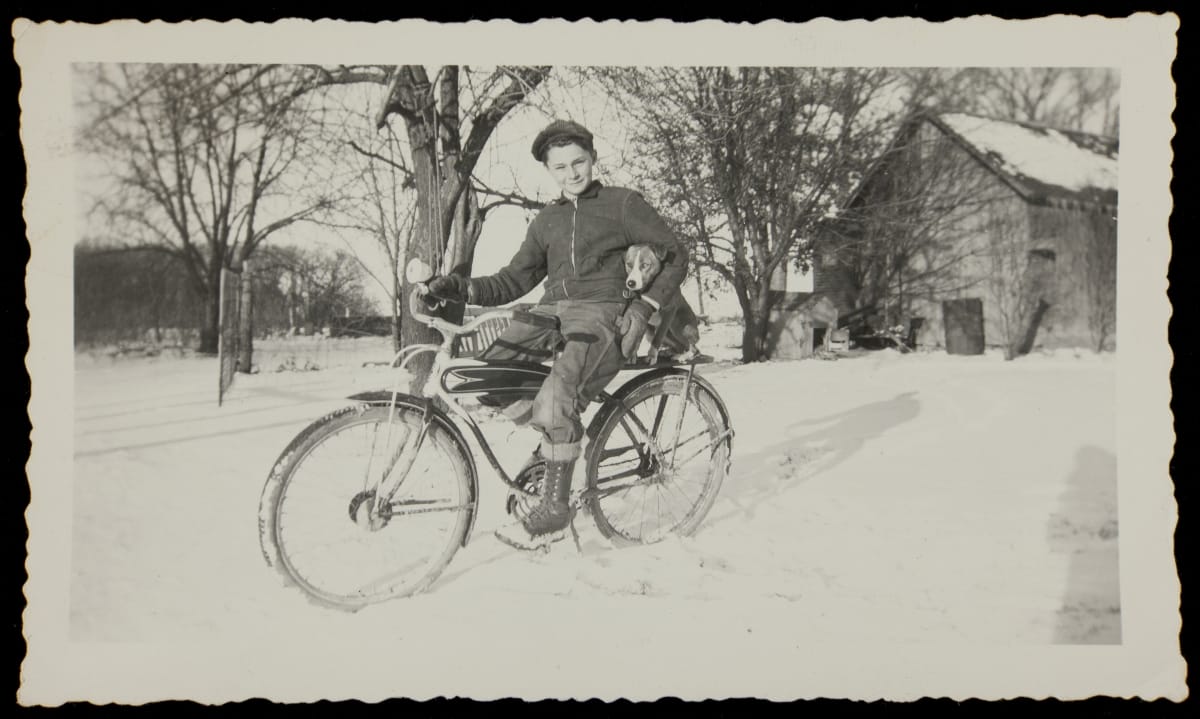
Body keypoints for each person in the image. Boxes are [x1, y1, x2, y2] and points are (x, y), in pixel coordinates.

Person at [425, 119, 686, 550]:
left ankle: (556, 512)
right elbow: (514, 279)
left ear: (592, 158)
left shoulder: (623, 204)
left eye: (578, 162)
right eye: (560, 167)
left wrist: (645, 306)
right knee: (489, 377)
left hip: (601, 313)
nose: (572, 173)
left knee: (557, 395)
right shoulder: (548, 219)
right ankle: (556, 440)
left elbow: (675, 254)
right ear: (548, 169)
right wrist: (461, 286)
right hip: (548, 312)